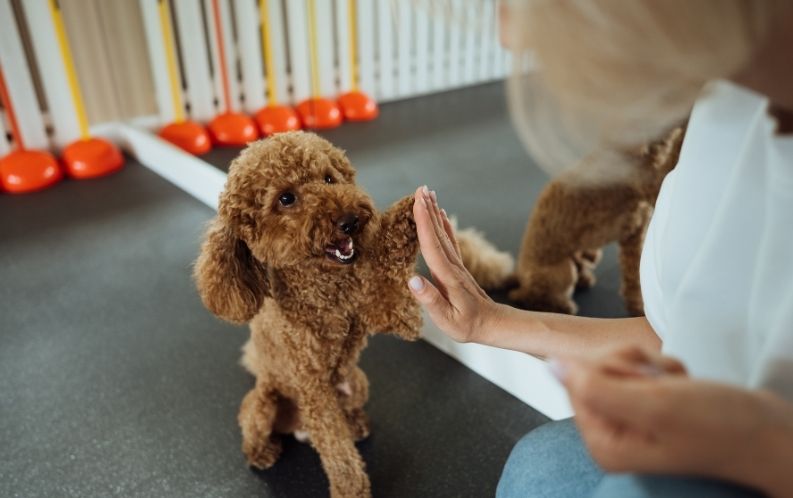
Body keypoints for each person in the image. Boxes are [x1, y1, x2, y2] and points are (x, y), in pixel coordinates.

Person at [407, 1, 793, 497]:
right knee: (539, 465)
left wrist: (746, 448)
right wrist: (488, 322)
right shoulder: (723, 108)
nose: (509, 37)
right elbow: (679, 336)